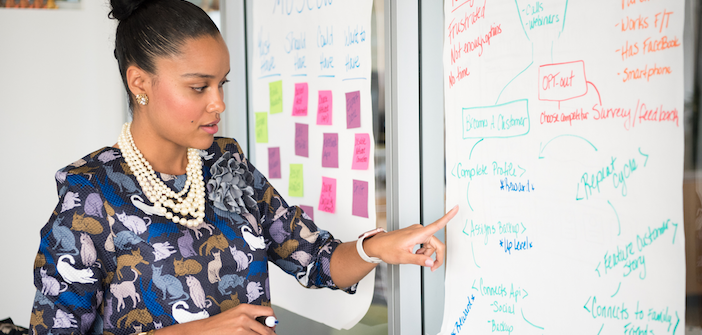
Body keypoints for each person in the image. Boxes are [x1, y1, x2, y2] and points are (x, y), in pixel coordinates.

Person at [28, 0, 458, 334]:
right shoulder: (91, 192)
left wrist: (376, 248)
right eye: (199, 87)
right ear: (140, 83)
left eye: (221, 84)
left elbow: (315, 259)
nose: (218, 104)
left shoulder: (226, 164)